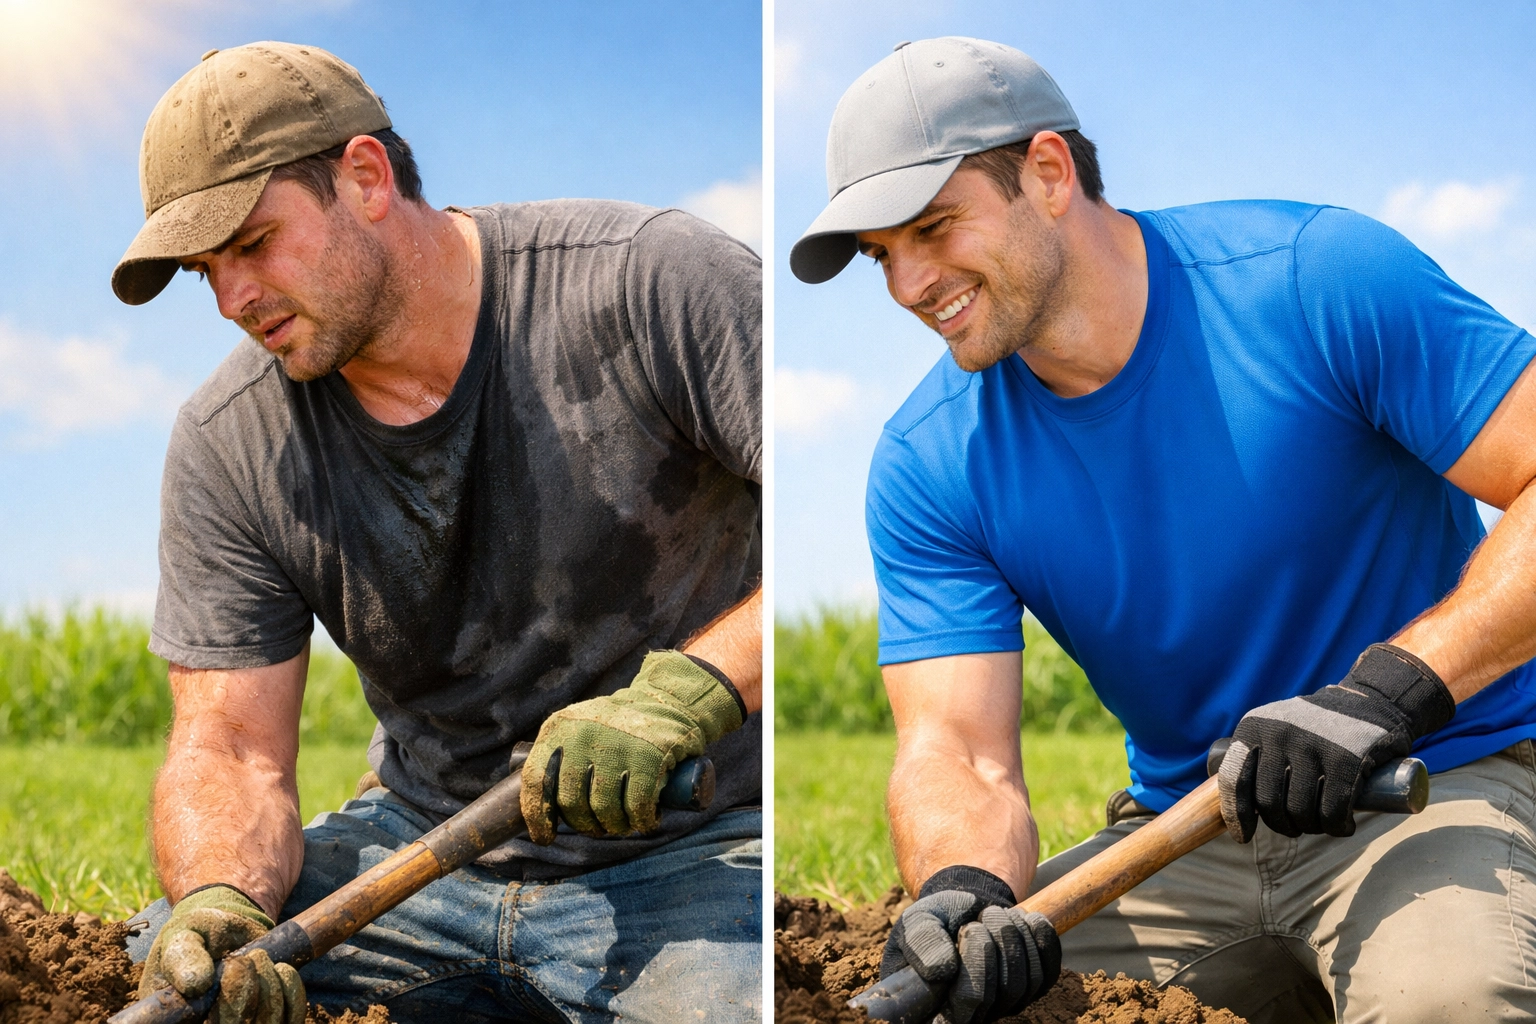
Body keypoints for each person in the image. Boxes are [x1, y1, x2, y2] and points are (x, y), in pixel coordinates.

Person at [791, 35, 1536, 1024]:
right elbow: (959, 749)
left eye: (933, 227)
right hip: (1186, 833)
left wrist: (1387, 690)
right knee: (964, 1002)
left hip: (1433, 778)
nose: (908, 285)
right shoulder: (929, 462)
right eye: (883, 255)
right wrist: (960, 884)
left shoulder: (1314, 278)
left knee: (1450, 1002)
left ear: (1048, 173)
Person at [114, 42, 762, 1024]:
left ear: (366, 178)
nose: (232, 300)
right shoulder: (228, 441)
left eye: (253, 243)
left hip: (691, 848)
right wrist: (221, 896)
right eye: (207, 271)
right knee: (189, 977)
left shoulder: (651, 280)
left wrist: (684, 697)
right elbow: (231, 747)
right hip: (422, 852)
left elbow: (842, 525)